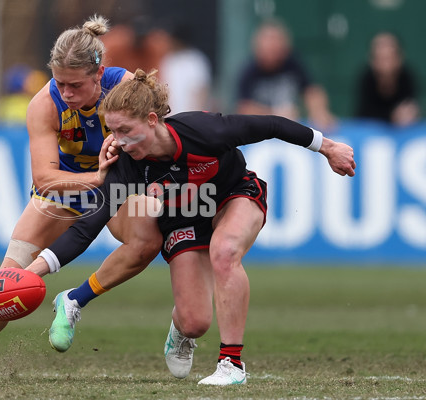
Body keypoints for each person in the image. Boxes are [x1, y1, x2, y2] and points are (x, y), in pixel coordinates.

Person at [25, 69, 356, 385]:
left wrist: (327, 147)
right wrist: (32, 272)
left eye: (126, 131)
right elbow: (87, 228)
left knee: (225, 252)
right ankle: (180, 330)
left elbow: (271, 124)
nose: (120, 142)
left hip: (233, 194)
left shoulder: (203, 130)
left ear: (152, 121)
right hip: (185, 217)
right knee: (196, 321)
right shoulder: (124, 166)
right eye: (113, 132)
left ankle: (231, 364)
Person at [0, 16, 162, 382]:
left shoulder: (128, 89)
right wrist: (98, 177)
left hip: (118, 190)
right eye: (60, 82)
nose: (66, 92)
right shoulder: (44, 104)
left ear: (99, 74)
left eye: (75, 85)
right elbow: (45, 178)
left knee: (150, 239)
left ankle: (74, 299)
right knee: (7, 278)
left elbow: (159, 134)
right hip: (63, 192)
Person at [236, 19, 335, 131]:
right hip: (260, 133)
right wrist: (276, 115)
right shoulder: (249, 70)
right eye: (269, 44)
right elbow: (244, 109)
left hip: (291, 130)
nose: (273, 49)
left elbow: (312, 91)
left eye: (277, 43)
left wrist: (319, 112)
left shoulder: (293, 64)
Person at [355, 31, 420, 127]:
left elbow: (412, 108)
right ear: (372, 60)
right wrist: (392, 116)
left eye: (389, 58)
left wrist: (410, 113)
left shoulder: (408, 77)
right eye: (380, 58)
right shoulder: (366, 79)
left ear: (399, 58)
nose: (385, 65)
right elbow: (363, 115)